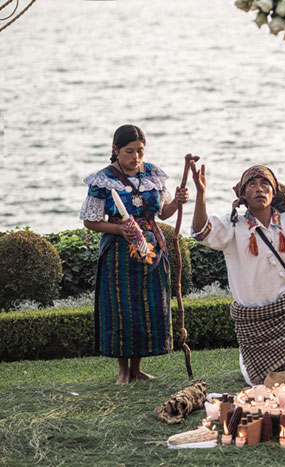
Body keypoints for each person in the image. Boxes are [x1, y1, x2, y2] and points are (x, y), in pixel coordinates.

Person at [189, 160, 285, 386]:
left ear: (274, 193)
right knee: (258, 383)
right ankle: (256, 365)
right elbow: (203, 231)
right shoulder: (233, 226)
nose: (259, 189)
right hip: (254, 322)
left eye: (265, 184)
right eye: (252, 185)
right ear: (243, 195)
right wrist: (201, 193)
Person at [80, 124, 189, 384]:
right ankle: (123, 371)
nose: (136, 157)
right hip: (118, 253)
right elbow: (90, 221)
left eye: (140, 151)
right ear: (116, 150)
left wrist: (178, 201)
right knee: (120, 308)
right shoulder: (103, 179)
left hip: (152, 251)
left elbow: (163, 213)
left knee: (146, 307)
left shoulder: (153, 174)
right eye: (130, 152)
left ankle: (137, 368)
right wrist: (120, 229)